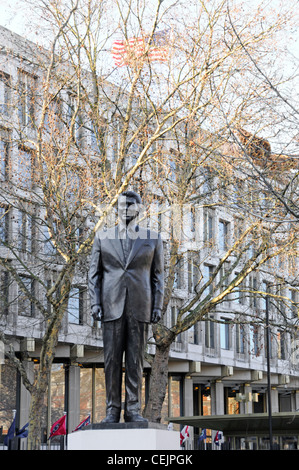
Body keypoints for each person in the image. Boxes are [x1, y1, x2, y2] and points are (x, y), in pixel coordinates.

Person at [88, 190, 164, 423]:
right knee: (111, 360)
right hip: (111, 306)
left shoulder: (153, 238)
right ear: (116, 208)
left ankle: (133, 409)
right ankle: (112, 409)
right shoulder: (102, 237)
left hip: (140, 307)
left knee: (135, 360)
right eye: (122, 205)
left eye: (131, 205)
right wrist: (95, 302)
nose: (126, 209)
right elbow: (94, 274)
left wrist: (157, 307)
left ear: (139, 210)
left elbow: (158, 276)